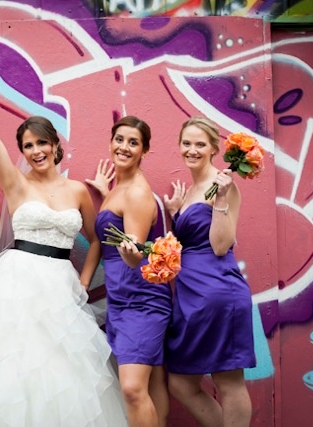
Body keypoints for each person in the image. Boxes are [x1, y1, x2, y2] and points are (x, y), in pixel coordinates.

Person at [0, 53, 127, 426]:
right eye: (28, 146)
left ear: (55, 145)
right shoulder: (15, 184)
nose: (36, 151)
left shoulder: (77, 191)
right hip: (18, 283)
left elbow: (96, 239)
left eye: (42, 143)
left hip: (61, 284)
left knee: (62, 367)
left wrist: (83, 280)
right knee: (16, 366)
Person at [162, 116, 256, 427]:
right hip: (191, 296)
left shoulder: (224, 186)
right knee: (180, 383)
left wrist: (222, 199)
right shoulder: (192, 189)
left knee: (228, 381)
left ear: (214, 148)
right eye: (186, 143)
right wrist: (176, 214)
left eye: (200, 144)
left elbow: (219, 245)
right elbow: (192, 238)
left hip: (218, 291)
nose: (192, 150)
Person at [85, 116, 172, 427]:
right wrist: (103, 191)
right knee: (153, 381)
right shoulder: (118, 188)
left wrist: (132, 252)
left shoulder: (136, 192)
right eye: (119, 139)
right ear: (110, 143)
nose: (124, 147)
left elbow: (135, 256)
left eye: (133, 142)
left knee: (133, 389)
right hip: (122, 298)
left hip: (141, 299)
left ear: (144, 151)